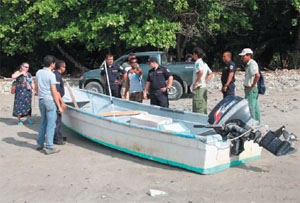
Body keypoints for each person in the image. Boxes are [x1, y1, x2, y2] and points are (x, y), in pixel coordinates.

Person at [35, 55, 63, 155]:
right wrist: (59, 106)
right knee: (51, 124)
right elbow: (54, 91)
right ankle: (49, 146)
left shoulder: (38, 72)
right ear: (52, 64)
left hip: (41, 100)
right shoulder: (51, 75)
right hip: (50, 101)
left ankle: (39, 143)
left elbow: (36, 87)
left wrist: (39, 94)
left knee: (43, 122)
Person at [239, 48, 261, 122]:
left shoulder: (252, 64)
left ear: (249, 56)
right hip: (250, 88)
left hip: (251, 89)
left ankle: (253, 125)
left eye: (244, 56)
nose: (242, 58)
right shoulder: (249, 64)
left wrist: (252, 86)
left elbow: (257, 75)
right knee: (255, 108)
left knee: (250, 108)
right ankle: (258, 123)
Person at [191, 47, 213, 114]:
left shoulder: (198, 62)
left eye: (193, 54)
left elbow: (200, 72)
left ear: (196, 54)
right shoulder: (204, 63)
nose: (193, 56)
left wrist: (196, 82)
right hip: (203, 87)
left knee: (198, 108)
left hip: (198, 88)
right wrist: (205, 81)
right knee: (203, 107)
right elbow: (211, 73)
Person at [53, 60, 67, 145]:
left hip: (58, 98)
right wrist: (62, 103)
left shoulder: (57, 75)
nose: (65, 68)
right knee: (57, 120)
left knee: (58, 120)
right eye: (64, 66)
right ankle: (57, 138)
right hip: (57, 99)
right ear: (61, 67)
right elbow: (57, 91)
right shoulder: (57, 76)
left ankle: (59, 135)